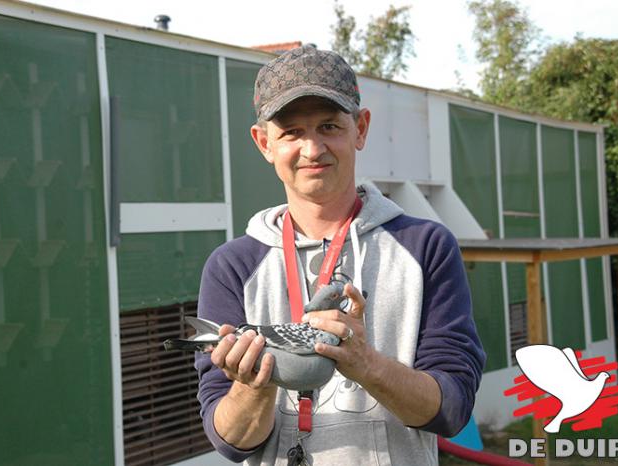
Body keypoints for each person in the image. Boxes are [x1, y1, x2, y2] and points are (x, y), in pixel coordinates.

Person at [194, 44, 486, 465]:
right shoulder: (232, 266)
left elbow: (452, 408)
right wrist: (251, 385)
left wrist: (366, 363)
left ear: (361, 129)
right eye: (292, 132)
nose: (313, 149)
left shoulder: (426, 247)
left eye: (329, 126)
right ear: (264, 143)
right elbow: (232, 442)